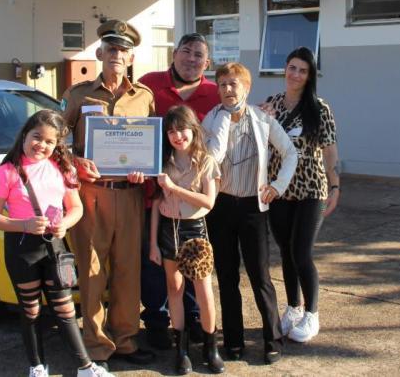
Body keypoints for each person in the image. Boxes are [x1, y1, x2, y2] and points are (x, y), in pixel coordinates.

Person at [0, 109, 112, 377]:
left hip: (55, 248)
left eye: (49, 141)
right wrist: (24, 225)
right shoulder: (7, 171)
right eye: (37, 137)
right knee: (31, 310)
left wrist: (65, 223)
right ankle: (37, 366)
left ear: (57, 144)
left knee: (65, 309)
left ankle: (86, 367)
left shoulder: (63, 168)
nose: (41, 145)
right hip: (22, 249)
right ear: (25, 135)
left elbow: (75, 207)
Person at [60, 19, 156, 368]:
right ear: (100, 54)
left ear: (131, 58)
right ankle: (96, 345)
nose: (117, 54)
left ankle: (126, 340)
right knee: (92, 271)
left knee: (128, 269)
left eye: (123, 50)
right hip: (91, 194)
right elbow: (57, 139)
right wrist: (74, 160)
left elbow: (151, 143)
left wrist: (145, 168)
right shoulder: (77, 95)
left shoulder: (143, 97)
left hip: (129, 194)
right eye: (111, 48)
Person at [202, 62, 298, 364]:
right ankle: (233, 341)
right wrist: (222, 119)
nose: (227, 89)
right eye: (222, 84)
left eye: (233, 84)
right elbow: (210, 157)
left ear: (246, 87)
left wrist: (277, 186)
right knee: (226, 276)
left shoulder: (262, 119)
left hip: (252, 208)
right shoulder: (211, 119)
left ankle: (273, 339)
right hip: (220, 207)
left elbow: (290, 153)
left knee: (260, 276)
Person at [137, 33, 220, 349]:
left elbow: (237, 118)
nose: (191, 59)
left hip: (194, 202)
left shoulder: (215, 93)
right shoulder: (149, 84)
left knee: (194, 268)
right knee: (156, 265)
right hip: (155, 194)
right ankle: (158, 323)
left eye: (199, 55)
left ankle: (194, 322)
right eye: (186, 51)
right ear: (174, 55)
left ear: (207, 62)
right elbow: (131, 125)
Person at [262, 47, 340, 344]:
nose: (296, 74)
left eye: (303, 70)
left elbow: (330, 152)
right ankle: (293, 307)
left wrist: (335, 186)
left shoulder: (319, 108)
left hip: (311, 189)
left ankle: (312, 313)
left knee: (301, 252)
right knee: (285, 250)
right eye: (292, 68)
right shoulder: (271, 104)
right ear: (285, 68)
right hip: (279, 189)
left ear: (309, 76)